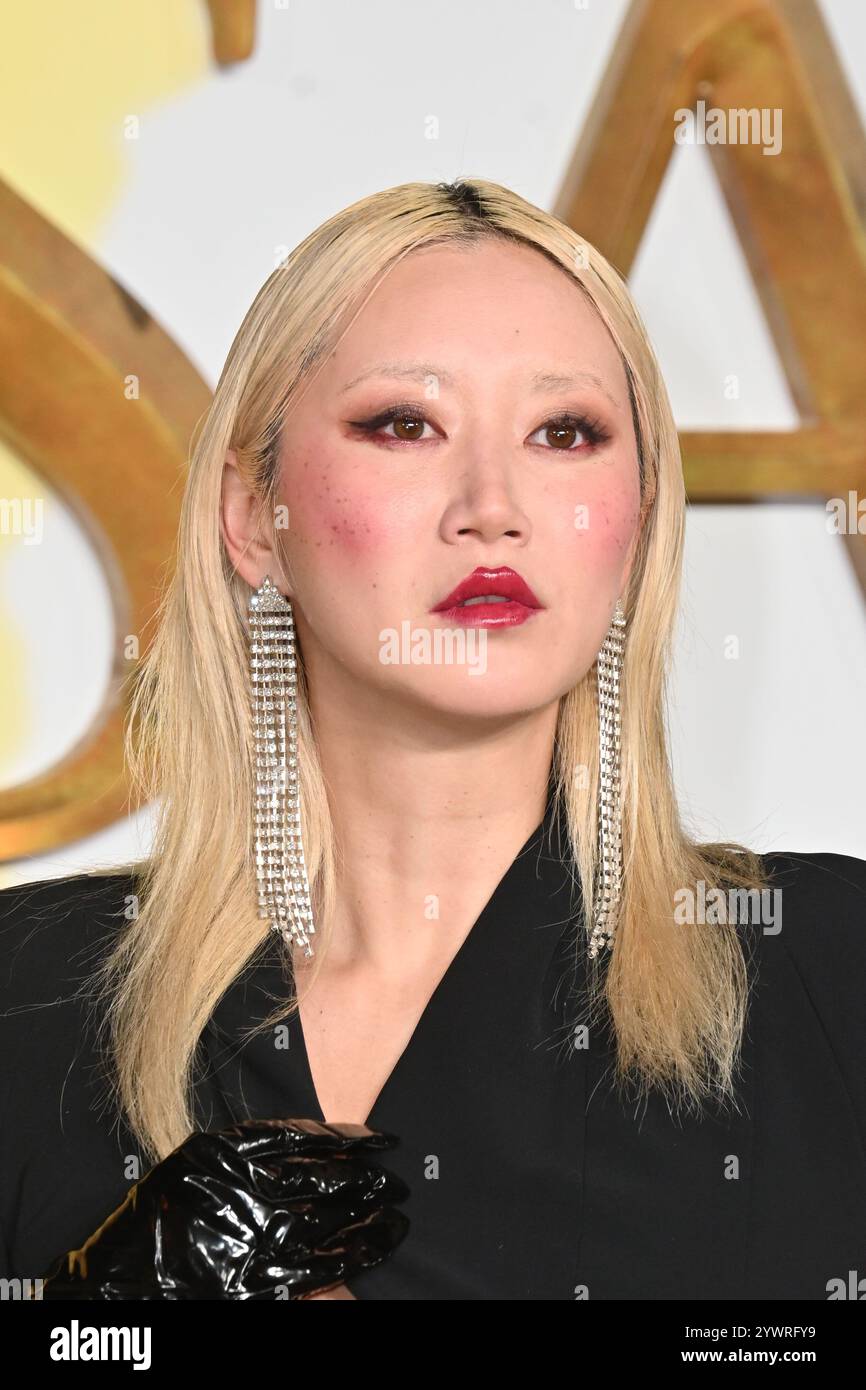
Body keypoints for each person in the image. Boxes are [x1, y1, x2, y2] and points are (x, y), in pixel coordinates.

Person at [1, 178, 864, 1300]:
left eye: (565, 432)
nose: (491, 501)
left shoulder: (824, 976)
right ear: (251, 516)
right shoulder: (29, 997)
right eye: (403, 424)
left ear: (638, 515)